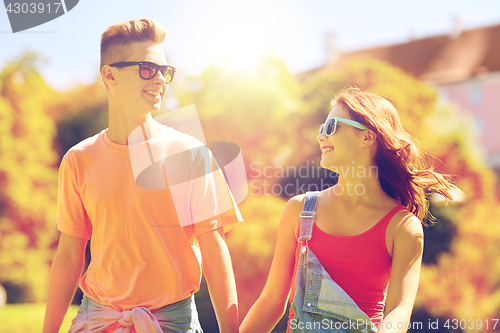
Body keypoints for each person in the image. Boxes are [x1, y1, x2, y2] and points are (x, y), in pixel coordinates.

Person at [42, 18, 242, 333]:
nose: (161, 79)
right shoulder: (78, 160)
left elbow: (214, 249)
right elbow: (69, 255)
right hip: (97, 322)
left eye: (165, 70)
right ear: (110, 75)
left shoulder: (189, 152)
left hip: (171, 324)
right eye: (148, 69)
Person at [240, 87, 456, 333]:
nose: (321, 137)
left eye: (331, 127)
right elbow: (271, 301)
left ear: (367, 137)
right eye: (321, 129)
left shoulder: (402, 227)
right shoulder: (298, 210)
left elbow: (399, 311)